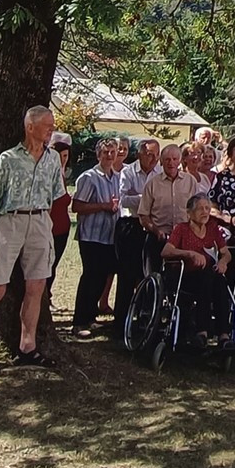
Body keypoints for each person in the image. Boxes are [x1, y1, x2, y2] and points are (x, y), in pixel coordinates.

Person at [0, 106, 66, 382]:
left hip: (39, 222)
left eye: (52, 126)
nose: (50, 130)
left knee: (36, 286)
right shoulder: (8, 159)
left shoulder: (52, 159)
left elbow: (57, 195)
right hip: (10, 221)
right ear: (30, 127)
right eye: (46, 126)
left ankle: (28, 346)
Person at [163, 193, 232, 346]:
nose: (205, 212)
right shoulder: (182, 229)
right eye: (200, 208)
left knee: (219, 281)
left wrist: (223, 262)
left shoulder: (213, 229)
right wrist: (189, 254)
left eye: (207, 208)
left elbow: (226, 253)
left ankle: (223, 336)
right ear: (189, 213)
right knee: (208, 278)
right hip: (186, 278)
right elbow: (166, 251)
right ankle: (203, 332)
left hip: (210, 278)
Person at [70, 139, 120, 338]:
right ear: (98, 154)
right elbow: (77, 207)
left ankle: (91, 317)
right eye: (106, 152)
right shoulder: (88, 177)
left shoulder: (118, 177)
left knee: (102, 278)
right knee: (90, 277)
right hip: (91, 235)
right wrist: (103, 206)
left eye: (112, 152)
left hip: (109, 236)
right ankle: (78, 321)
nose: (109, 155)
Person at [114, 138, 160, 330]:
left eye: (156, 155)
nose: (153, 158)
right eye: (149, 154)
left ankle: (144, 318)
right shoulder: (128, 171)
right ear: (140, 154)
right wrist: (147, 199)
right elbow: (123, 199)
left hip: (152, 226)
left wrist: (141, 198)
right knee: (127, 274)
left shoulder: (160, 173)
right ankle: (120, 321)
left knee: (148, 274)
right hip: (130, 225)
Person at [138, 144, 197, 269]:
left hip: (185, 237)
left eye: (175, 159)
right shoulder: (152, 184)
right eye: (167, 159)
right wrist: (156, 230)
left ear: (180, 161)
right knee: (153, 277)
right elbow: (143, 215)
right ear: (161, 161)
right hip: (158, 237)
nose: (171, 163)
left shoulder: (190, 181)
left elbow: (197, 210)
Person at [47, 131, 74, 295]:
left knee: (54, 265)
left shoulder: (62, 174)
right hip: (50, 227)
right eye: (60, 156)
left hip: (62, 228)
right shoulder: (48, 174)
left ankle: (48, 294)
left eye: (66, 156)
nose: (63, 160)